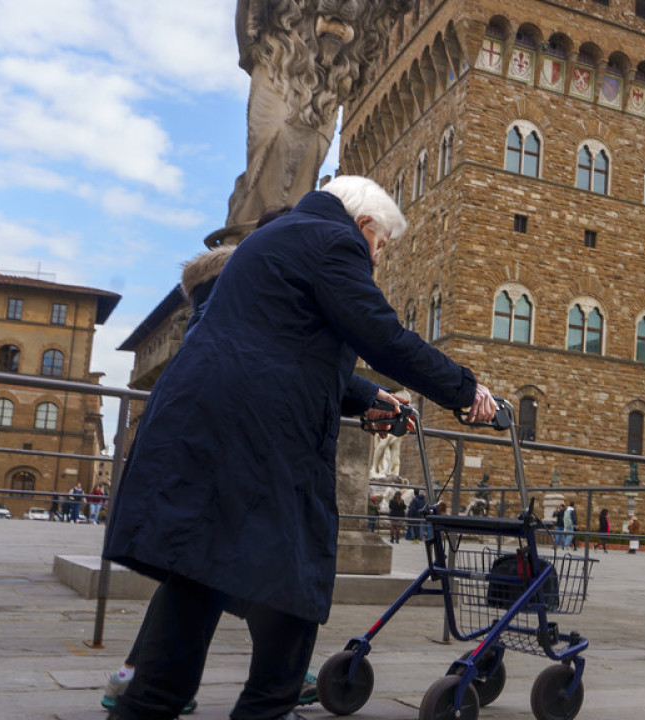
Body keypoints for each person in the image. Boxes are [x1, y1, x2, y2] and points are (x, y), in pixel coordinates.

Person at [101, 175, 497, 720]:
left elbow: (281, 344)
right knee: (292, 596)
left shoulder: (282, 238)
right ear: (364, 225)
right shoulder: (333, 241)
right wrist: (466, 390)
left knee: (197, 587)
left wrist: (363, 396)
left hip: (208, 432)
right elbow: (381, 335)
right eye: (380, 246)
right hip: (255, 444)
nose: (377, 261)